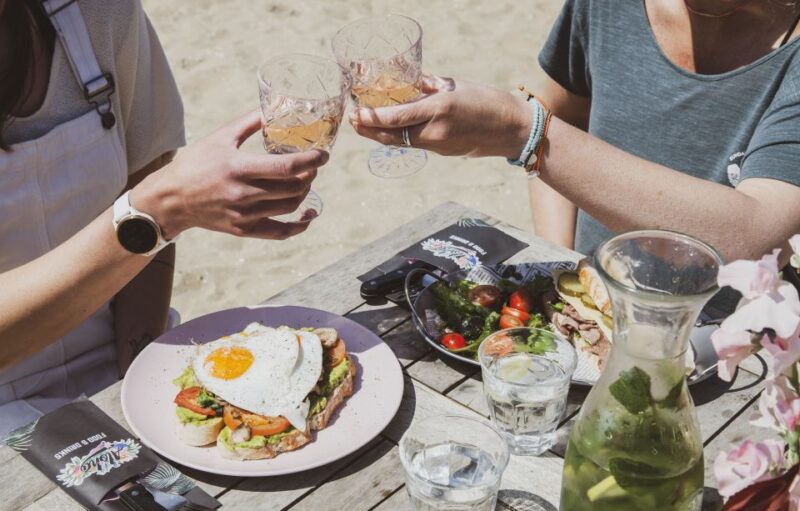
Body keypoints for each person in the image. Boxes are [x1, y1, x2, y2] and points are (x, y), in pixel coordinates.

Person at [0, 0, 326, 435]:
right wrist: (157, 211)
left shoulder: (99, 12)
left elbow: (146, 167)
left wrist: (135, 374)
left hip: (121, 358)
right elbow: (153, 198)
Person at [350, 0, 800, 271]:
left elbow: (751, 234)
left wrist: (520, 129)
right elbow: (564, 116)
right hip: (592, 303)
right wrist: (564, 265)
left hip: (730, 354)